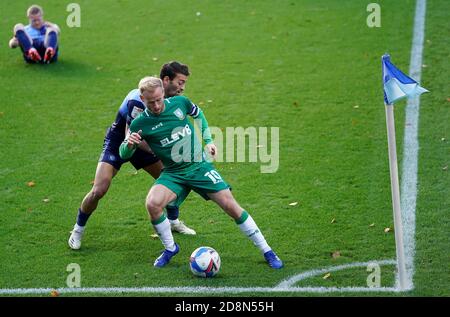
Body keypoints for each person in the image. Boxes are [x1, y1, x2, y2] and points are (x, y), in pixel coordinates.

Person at [119, 77, 284, 269]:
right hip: (173, 173)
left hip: (199, 167)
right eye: (150, 102)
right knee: (152, 204)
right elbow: (123, 152)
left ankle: (267, 250)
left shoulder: (181, 103)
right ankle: (170, 248)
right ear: (142, 98)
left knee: (230, 205)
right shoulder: (141, 123)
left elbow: (199, 114)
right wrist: (130, 145)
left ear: (163, 93)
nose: (156, 105)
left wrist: (208, 139)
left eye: (158, 99)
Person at [68, 62, 196, 250]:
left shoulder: (166, 99)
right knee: (99, 189)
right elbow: (131, 136)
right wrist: (159, 149)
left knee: (172, 181)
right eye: (180, 82)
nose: (182, 87)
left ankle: (173, 221)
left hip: (147, 143)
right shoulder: (139, 100)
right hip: (121, 142)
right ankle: (78, 229)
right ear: (166, 80)